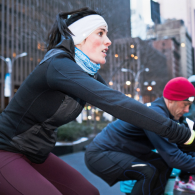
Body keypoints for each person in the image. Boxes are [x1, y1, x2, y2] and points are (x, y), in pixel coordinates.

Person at [0, 7, 194, 195]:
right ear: (80, 37)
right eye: (100, 33)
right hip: (5, 149)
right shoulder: (58, 65)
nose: (108, 41)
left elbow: (124, 105)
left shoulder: (86, 74)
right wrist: (184, 135)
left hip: (36, 154)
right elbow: (117, 104)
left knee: (88, 192)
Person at [85, 77, 195, 195]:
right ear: (171, 99)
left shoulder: (168, 116)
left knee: (163, 165)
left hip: (122, 152)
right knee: (147, 171)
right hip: (100, 154)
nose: (187, 110)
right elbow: (174, 158)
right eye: (185, 104)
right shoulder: (156, 116)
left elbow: (182, 150)